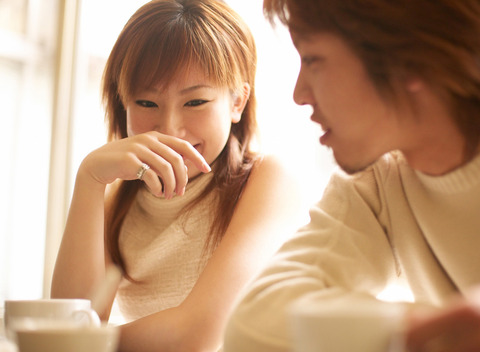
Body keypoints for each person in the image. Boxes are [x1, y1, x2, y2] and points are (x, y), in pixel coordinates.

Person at [223, 0, 480, 351]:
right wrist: (416, 331)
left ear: (410, 61)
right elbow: (255, 321)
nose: (299, 94)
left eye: (312, 59)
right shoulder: (379, 181)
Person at [50, 1, 306, 351]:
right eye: (146, 103)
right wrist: (89, 180)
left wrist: (69, 341)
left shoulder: (269, 180)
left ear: (237, 103)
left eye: (195, 102)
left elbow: (198, 334)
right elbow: (75, 316)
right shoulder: (119, 201)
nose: (170, 128)